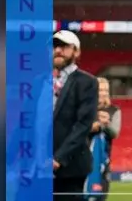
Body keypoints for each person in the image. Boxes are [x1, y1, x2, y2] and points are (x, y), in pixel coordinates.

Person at [51, 30, 99, 200]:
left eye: (64, 46)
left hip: (70, 167)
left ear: (76, 52)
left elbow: (83, 125)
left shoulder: (87, 82)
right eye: (55, 46)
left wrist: (58, 158)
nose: (58, 50)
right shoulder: (39, 82)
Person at [85, 78, 121, 201]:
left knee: (100, 194)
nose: (103, 93)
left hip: (102, 159)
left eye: (106, 90)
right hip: (81, 158)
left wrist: (105, 125)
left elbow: (115, 133)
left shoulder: (114, 110)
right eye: (100, 89)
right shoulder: (83, 107)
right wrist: (93, 124)